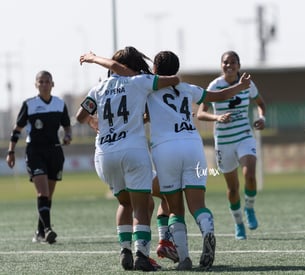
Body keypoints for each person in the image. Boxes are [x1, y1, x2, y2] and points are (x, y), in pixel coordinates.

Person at [79, 50, 251, 271]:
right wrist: (239, 87)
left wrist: (95, 60)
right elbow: (216, 97)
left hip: (164, 149)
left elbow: (130, 108)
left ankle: (184, 257)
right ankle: (207, 230)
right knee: (197, 204)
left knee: (174, 207)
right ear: (176, 69)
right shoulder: (186, 88)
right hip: (193, 145)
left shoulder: (147, 89)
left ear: (155, 70)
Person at [76, 46, 179, 271]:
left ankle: (125, 251)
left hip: (104, 155)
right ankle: (142, 255)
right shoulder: (138, 81)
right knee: (143, 205)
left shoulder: (98, 88)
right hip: (132, 152)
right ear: (132, 66)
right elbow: (171, 80)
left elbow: (80, 116)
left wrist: (94, 123)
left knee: (125, 203)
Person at [196, 51, 266, 240]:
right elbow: (200, 113)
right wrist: (217, 117)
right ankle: (238, 223)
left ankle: (249, 208)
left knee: (250, 173)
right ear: (221, 65)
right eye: (226, 62)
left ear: (239, 65)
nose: (229, 65)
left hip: (244, 135)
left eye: (233, 62)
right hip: (224, 141)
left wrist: (261, 117)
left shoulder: (247, 84)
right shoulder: (214, 86)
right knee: (233, 187)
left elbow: (260, 103)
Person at [6, 70, 72, 244]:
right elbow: (17, 130)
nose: (44, 84)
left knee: (48, 195)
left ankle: (40, 232)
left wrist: (67, 136)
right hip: (35, 152)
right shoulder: (29, 104)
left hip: (55, 152)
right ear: (36, 84)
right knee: (42, 192)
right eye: (40, 81)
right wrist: (11, 152)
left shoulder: (59, 104)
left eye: (47, 81)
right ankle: (48, 230)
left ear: (53, 84)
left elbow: (67, 127)